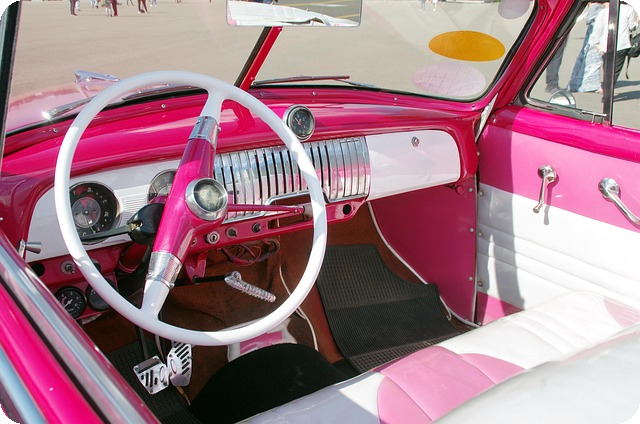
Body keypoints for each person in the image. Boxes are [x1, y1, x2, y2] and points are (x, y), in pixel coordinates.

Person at [592, 1, 639, 86]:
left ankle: (605, 87)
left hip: (605, 45)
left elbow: (597, 29)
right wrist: (637, 22)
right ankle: (607, 89)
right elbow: (632, 26)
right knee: (615, 70)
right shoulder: (629, 9)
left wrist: (597, 44)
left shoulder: (604, 11)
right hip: (621, 44)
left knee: (607, 68)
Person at [569, 2, 605, 92]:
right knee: (594, 53)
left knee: (587, 52)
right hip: (599, 12)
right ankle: (589, 84)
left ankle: (577, 82)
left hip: (596, 12)